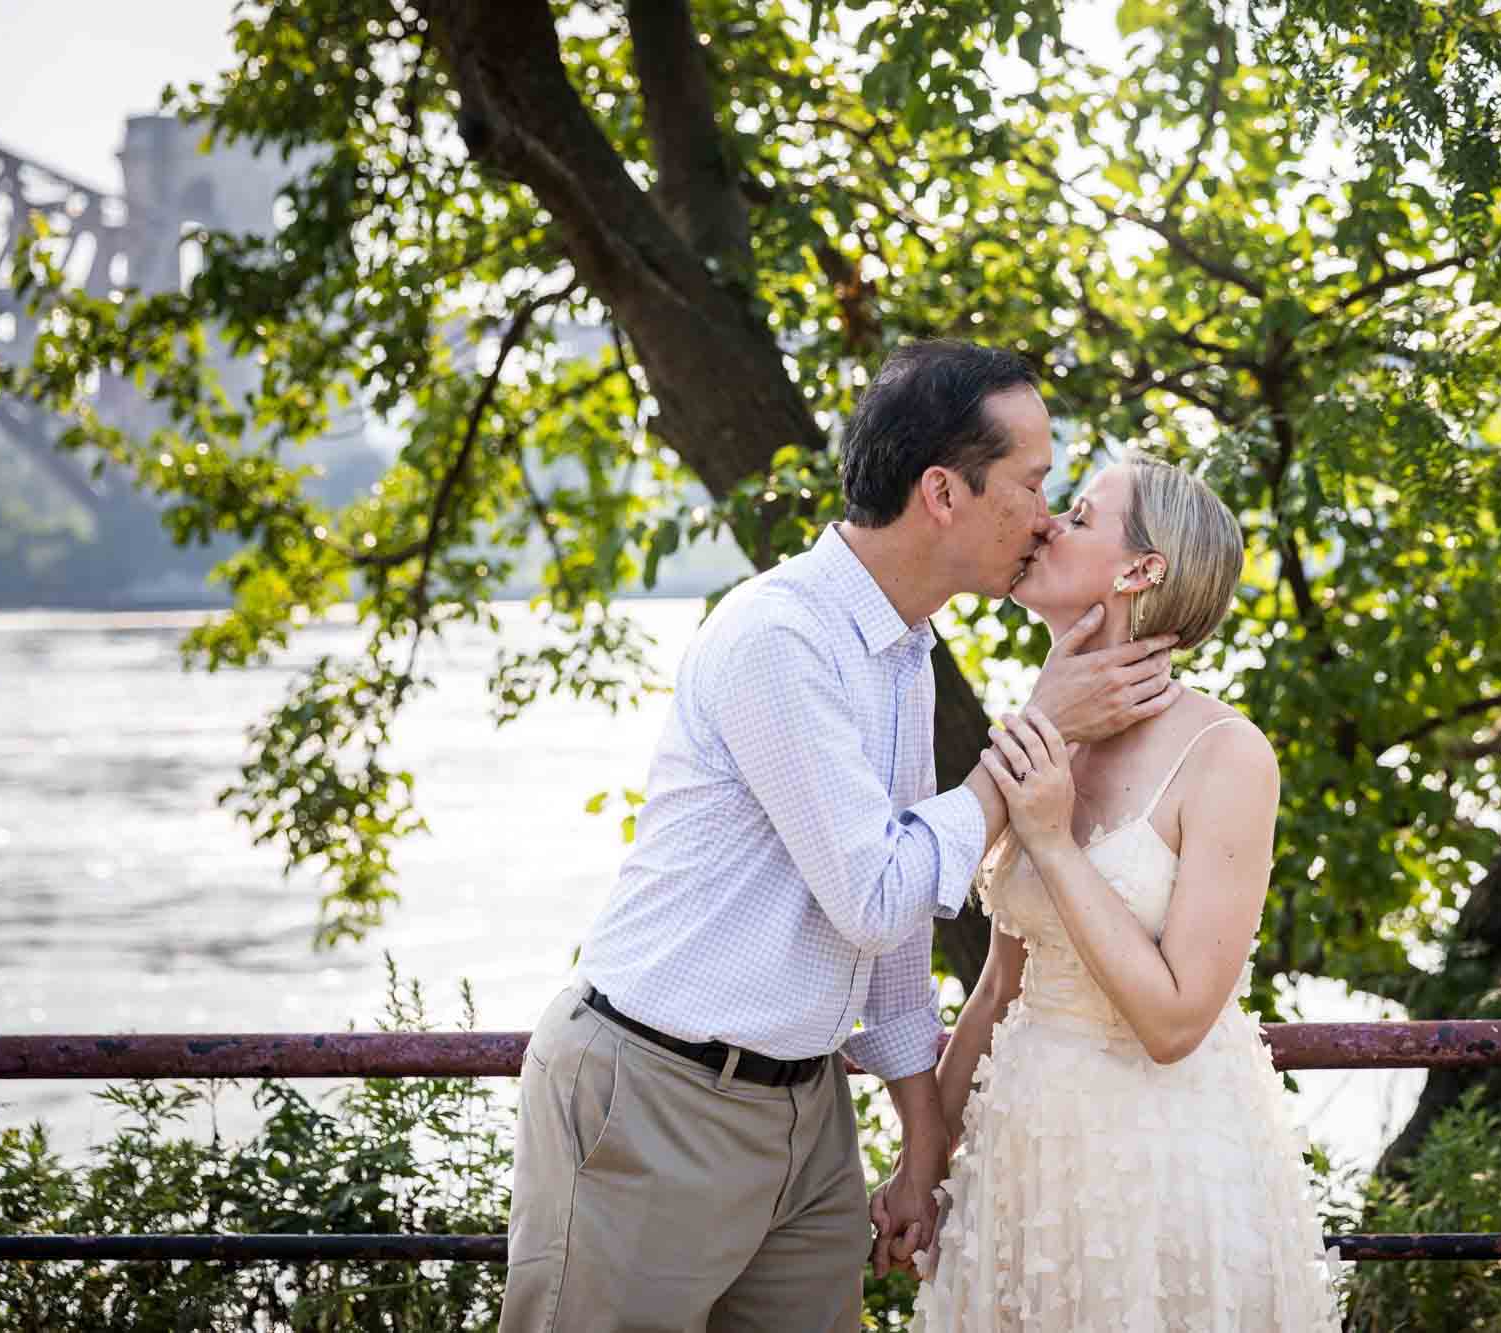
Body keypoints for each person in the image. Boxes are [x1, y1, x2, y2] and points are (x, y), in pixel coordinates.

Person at [498, 340, 1184, 1333]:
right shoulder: (781, 637)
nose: (1044, 515)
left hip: (809, 1112)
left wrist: (919, 1135)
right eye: (1033, 484)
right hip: (652, 1098)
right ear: (943, 493)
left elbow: (891, 931)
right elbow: (871, 889)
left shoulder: (904, 646)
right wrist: (1034, 735)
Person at [903, 453, 1344, 1331]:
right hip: (1020, 1165)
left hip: (1154, 1170)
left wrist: (1052, 840)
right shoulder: (1048, 729)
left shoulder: (1227, 753)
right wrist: (925, 1161)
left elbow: (1177, 1021)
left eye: (1078, 513)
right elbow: (998, 985)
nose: (1047, 525)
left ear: (1143, 569)